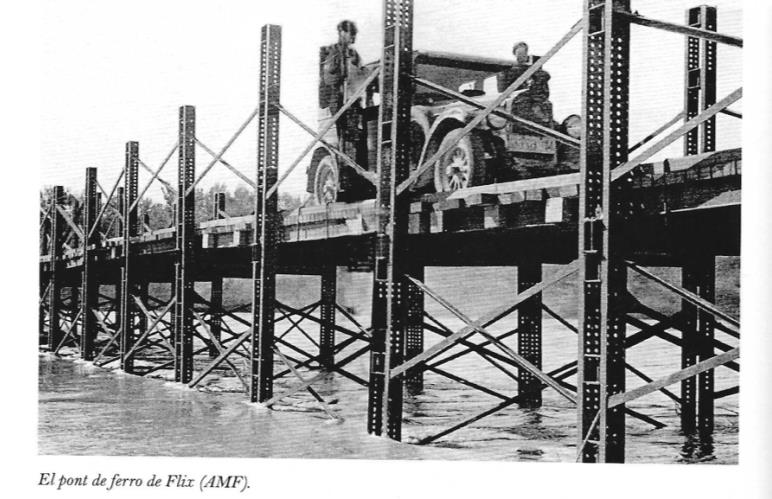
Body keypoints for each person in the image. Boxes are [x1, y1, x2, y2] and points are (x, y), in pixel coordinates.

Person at [318, 20, 371, 197]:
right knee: (346, 137)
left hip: (353, 100)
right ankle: (346, 178)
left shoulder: (352, 53)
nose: (353, 37)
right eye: (351, 34)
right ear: (342, 33)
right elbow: (329, 77)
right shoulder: (334, 52)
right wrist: (342, 76)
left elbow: (362, 72)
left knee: (356, 137)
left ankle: (356, 177)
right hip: (340, 100)